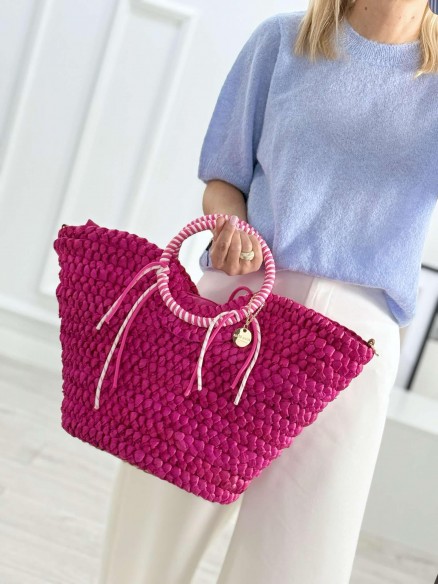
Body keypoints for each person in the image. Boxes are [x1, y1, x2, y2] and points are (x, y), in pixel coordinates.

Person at [97, 1, 438, 582]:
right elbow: (223, 177)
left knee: (294, 564)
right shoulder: (281, 41)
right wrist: (232, 225)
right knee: (150, 537)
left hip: (356, 342)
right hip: (239, 304)